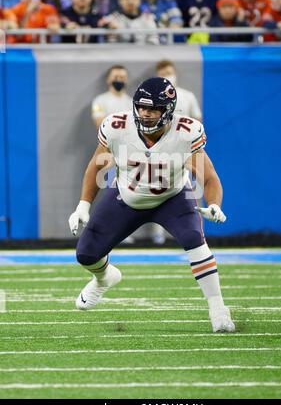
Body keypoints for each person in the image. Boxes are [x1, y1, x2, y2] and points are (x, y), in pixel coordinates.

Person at [69, 76, 235, 333]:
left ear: (168, 110)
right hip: (125, 196)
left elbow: (208, 176)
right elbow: (97, 165)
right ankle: (104, 278)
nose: (145, 114)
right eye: (142, 107)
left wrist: (214, 204)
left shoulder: (186, 133)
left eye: (153, 109)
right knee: (86, 255)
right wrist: (83, 204)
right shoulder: (116, 126)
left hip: (172, 198)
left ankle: (218, 308)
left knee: (194, 240)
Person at [91, 64, 132, 129]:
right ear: (108, 79)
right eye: (115, 77)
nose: (119, 80)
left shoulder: (131, 102)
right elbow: (99, 124)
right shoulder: (99, 101)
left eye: (122, 77)